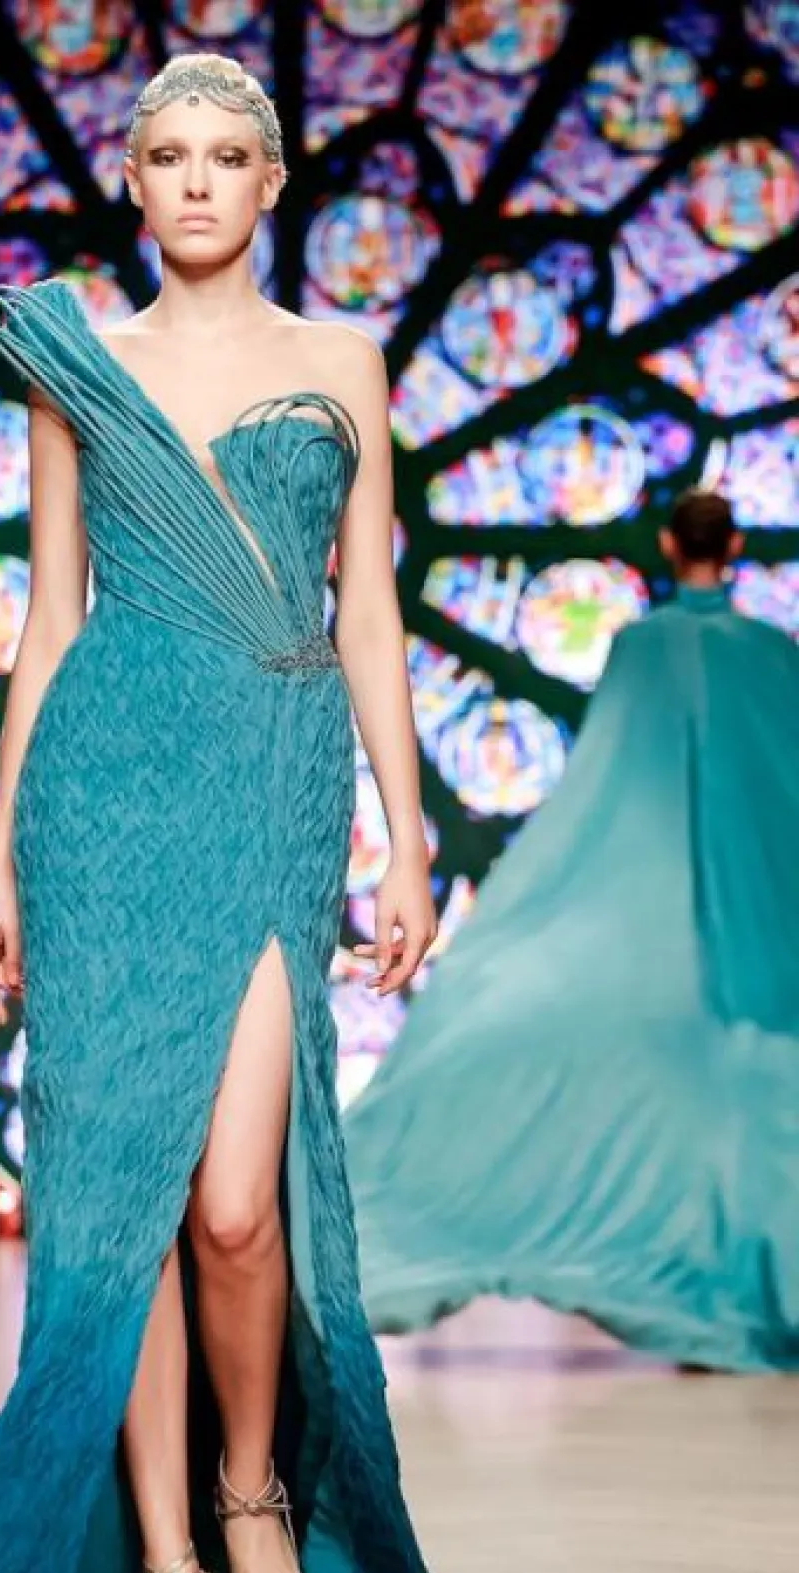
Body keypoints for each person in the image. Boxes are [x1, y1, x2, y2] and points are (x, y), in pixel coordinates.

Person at [0, 52, 448, 1573]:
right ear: (132, 183)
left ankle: (250, 1487)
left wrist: (408, 834)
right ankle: (165, 1571)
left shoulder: (343, 362)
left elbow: (368, 614)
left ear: (273, 184)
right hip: (103, 791)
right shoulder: (80, 365)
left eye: (227, 156)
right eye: (168, 156)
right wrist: (1, 852)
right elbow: (48, 616)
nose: (197, 181)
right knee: (120, 1206)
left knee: (234, 1207)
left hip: (275, 775)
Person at [342, 488, 799, 1372]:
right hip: (751, 899)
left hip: (651, 898)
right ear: (736, 545)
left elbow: (607, 776)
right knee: (752, 1076)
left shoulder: (642, 647)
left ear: (666, 544)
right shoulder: (767, 651)